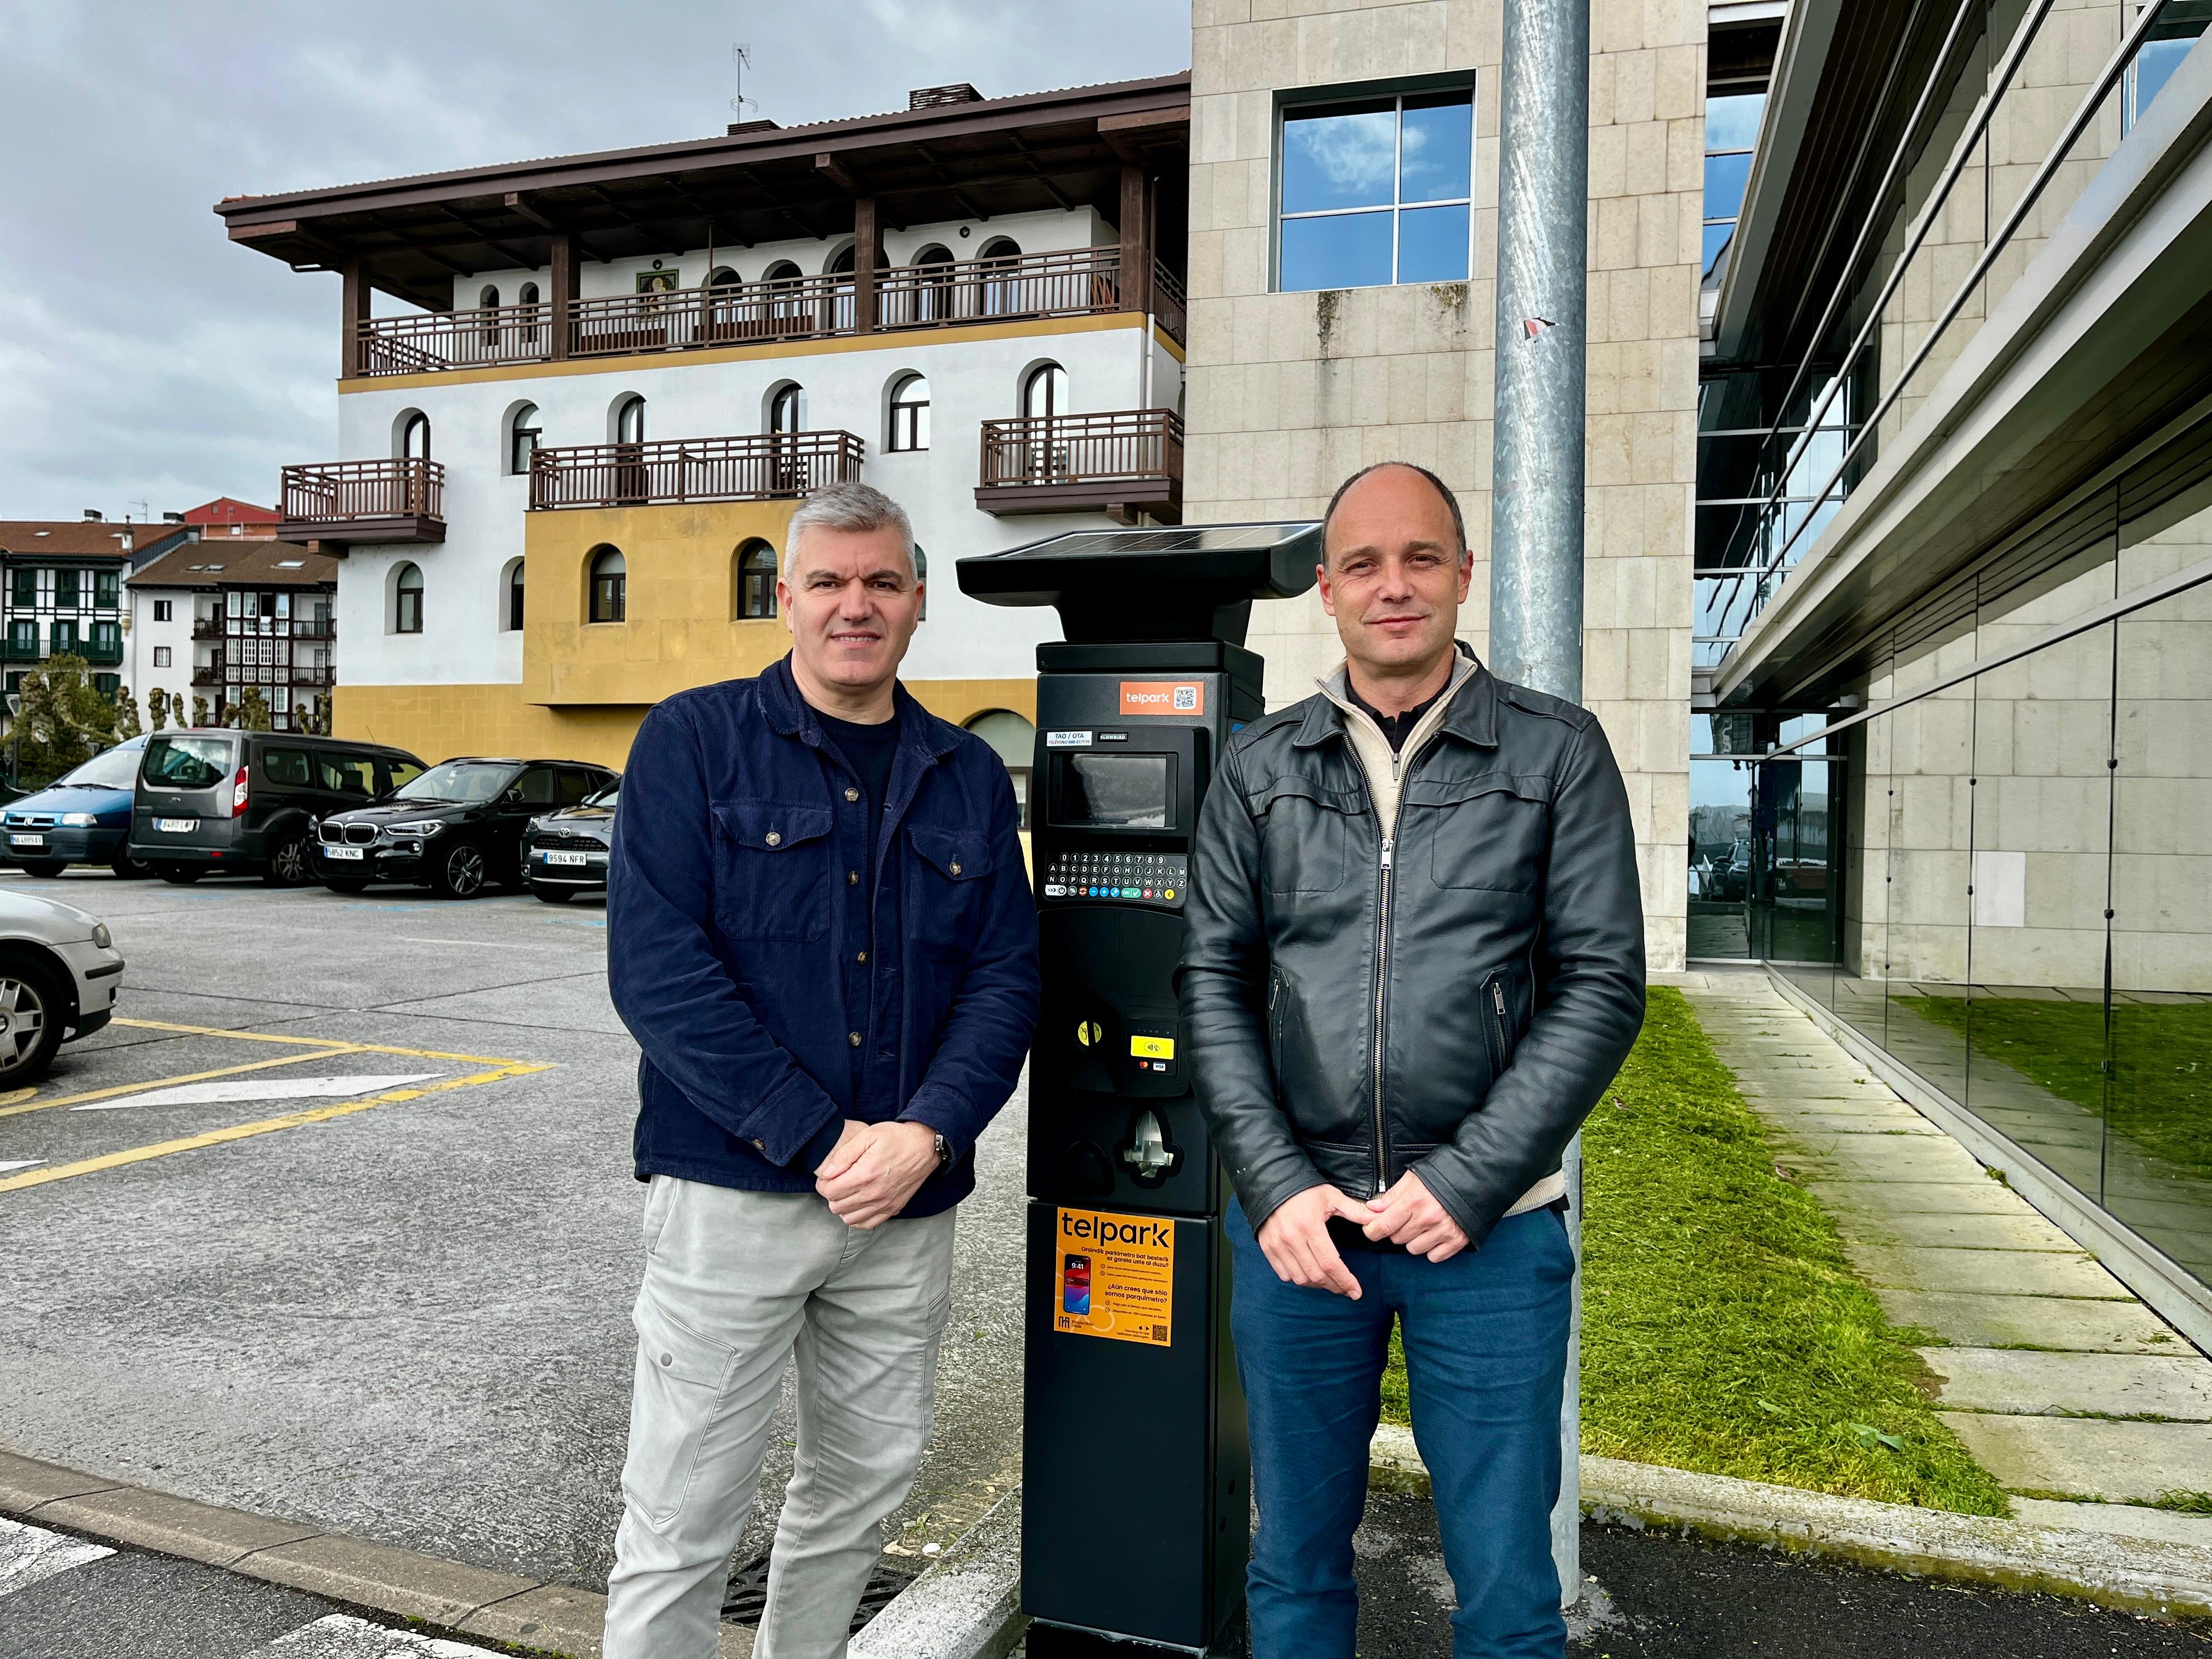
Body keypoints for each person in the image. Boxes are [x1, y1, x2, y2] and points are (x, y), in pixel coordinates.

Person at [1178, 461, 1645, 1657]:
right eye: (1368, 565)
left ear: (1463, 576)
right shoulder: (1259, 768)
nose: (1397, 586)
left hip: (1487, 1235)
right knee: (1291, 1564)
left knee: (1504, 1587)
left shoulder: (1557, 754)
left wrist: (1471, 1179)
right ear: (1326, 591)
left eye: (1423, 558)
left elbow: (1601, 987)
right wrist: (1276, 1188)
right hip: (1303, 1235)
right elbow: (1215, 987)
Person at [602, 479, 1039, 1659]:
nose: (858, 606)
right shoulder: (693, 742)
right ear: (785, 598)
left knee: (858, 1498)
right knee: (682, 1519)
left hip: (902, 1206)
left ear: (917, 602)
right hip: (731, 1195)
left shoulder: (966, 777)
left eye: (883, 582)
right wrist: (825, 1137)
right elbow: (658, 974)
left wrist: (928, 1135)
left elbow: (1005, 979)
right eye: (832, 583)